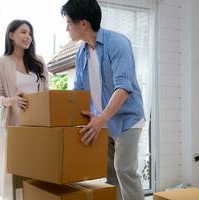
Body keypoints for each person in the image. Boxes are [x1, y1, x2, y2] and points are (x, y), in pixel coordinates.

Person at [61, 1, 145, 200]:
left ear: (83, 24)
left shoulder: (118, 43)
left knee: (124, 169)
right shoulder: (81, 53)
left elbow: (123, 87)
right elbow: (79, 90)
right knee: (111, 175)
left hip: (127, 119)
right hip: (102, 121)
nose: (67, 28)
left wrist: (102, 119)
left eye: (69, 23)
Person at [0, 19, 49, 200]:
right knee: (15, 178)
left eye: (30, 33)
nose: (28, 37)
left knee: (37, 174)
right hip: (14, 127)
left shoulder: (38, 61)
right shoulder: (1, 62)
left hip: (38, 127)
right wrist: (11, 101)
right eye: (23, 32)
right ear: (11, 35)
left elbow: (46, 92)